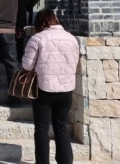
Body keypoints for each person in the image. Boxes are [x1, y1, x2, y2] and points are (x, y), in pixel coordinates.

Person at [22, 9, 80, 164]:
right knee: (61, 127)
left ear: (40, 22)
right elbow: (75, 62)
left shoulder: (37, 38)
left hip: (43, 88)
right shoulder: (71, 38)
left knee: (41, 128)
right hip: (66, 89)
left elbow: (27, 65)